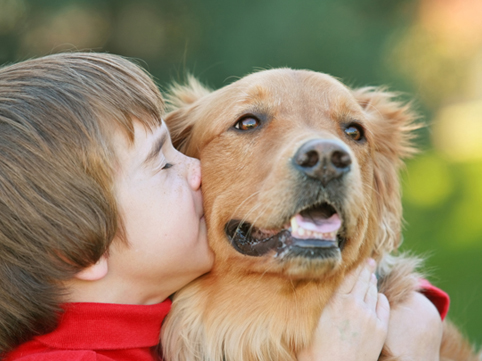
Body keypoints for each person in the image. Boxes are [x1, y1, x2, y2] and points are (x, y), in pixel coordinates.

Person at [0, 52, 444, 361]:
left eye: (352, 132)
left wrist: (414, 310)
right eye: (163, 161)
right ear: (81, 247)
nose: (194, 171)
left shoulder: (149, 316)